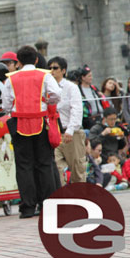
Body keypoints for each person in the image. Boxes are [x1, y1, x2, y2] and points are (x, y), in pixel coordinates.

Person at [2, 45, 61, 219]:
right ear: (36, 59)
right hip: (41, 122)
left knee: (23, 166)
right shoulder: (44, 75)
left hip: (19, 123)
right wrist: (45, 100)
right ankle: (48, 205)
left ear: (18, 61)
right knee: (44, 164)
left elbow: (6, 105)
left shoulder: (11, 79)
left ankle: (28, 207)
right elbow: (57, 94)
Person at [47, 56, 86, 185]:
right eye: (50, 68)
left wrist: (69, 130)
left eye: (55, 68)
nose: (52, 70)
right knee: (56, 169)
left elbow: (76, 110)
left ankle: (81, 201)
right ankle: (62, 200)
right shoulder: (46, 88)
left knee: (77, 170)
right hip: (54, 134)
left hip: (71, 133)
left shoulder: (71, 88)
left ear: (63, 70)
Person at [78, 65, 106, 130]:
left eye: (91, 76)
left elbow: (103, 100)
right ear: (83, 77)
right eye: (89, 76)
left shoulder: (94, 88)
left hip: (101, 118)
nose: (91, 78)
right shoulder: (79, 90)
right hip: (89, 121)